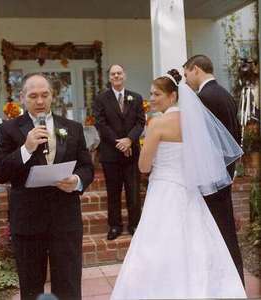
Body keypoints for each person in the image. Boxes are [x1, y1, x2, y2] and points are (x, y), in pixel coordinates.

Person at [110, 69, 246, 299]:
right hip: (189, 190)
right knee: (195, 242)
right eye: (151, 93)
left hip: (163, 190)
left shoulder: (157, 124)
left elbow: (143, 167)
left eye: (157, 94)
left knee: (157, 245)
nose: (151, 98)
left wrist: (150, 158)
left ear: (172, 96)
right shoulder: (195, 122)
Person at [0, 73, 94, 300]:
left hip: (65, 219)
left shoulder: (73, 127)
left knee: (68, 285)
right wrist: (26, 149)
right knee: (31, 286)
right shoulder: (8, 130)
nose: (40, 101)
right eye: (33, 96)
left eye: (45, 95)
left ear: (52, 96)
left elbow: (87, 168)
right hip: (28, 221)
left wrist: (76, 181)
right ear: (22, 97)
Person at [183, 54, 244, 284]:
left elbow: (203, 144)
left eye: (187, 74)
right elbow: (234, 139)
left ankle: (229, 286)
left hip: (212, 180)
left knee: (219, 237)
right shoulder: (225, 94)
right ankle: (235, 283)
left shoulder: (204, 98)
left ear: (196, 69)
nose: (186, 80)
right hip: (225, 175)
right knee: (227, 234)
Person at [93, 64, 145, 240]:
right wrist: (119, 143)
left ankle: (134, 224)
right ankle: (115, 226)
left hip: (132, 154)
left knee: (133, 192)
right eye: (113, 74)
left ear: (125, 75)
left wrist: (129, 139)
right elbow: (100, 124)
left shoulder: (136, 98)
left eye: (119, 73)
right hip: (111, 154)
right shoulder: (101, 99)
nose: (116, 76)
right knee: (113, 192)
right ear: (109, 77)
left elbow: (140, 122)